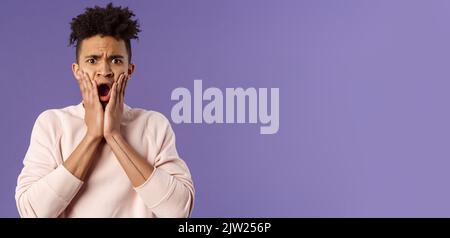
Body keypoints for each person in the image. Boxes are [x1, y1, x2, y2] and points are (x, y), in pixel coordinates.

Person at [15, 3, 195, 218]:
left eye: (116, 60)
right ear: (77, 71)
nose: (105, 71)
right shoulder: (52, 123)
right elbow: (32, 212)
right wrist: (92, 136)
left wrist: (114, 135)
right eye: (93, 60)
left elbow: (178, 211)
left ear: (129, 70)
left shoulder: (153, 124)